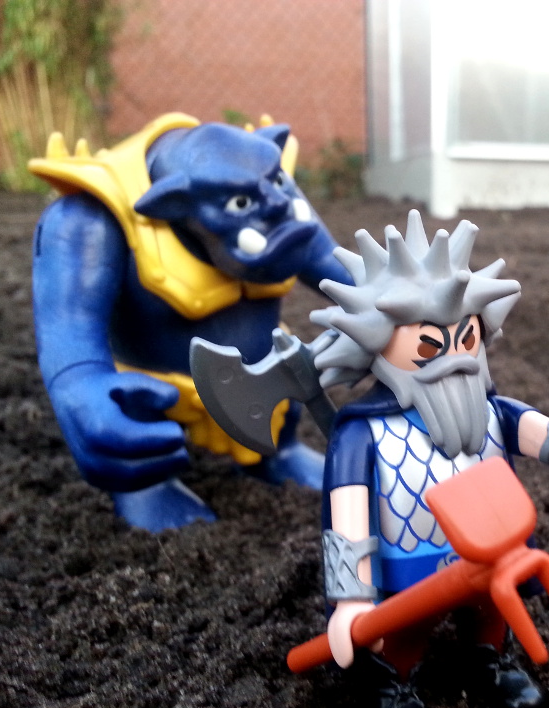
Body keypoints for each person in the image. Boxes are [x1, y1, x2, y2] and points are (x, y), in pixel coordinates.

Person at [311, 210, 549, 708]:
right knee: (402, 634)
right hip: (409, 563)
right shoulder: (363, 434)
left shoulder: (492, 412)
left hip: (492, 551)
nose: (455, 356)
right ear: (378, 344)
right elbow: (347, 514)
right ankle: (392, 686)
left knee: (490, 616)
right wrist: (350, 596)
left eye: (466, 336)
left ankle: (489, 661)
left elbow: (546, 433)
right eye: (430, 344)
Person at [30, 114, 352, 531]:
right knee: (139, 433)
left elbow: (336, 267)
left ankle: (278, 453)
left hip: (270, 384)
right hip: (160, 396)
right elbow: (69, 328)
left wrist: (393, 302)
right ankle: (148, 486)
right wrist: (78, 387)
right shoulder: (92, 217)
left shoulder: (267, 180)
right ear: (174, 204)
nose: (275, 203)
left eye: (276, 183)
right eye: (241, 204)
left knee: (285, 390)